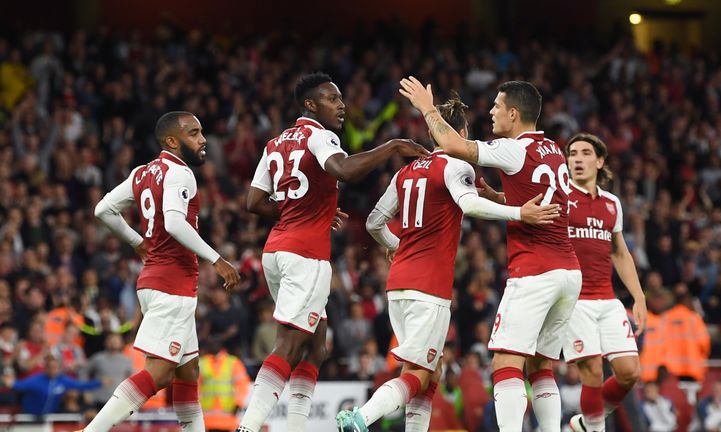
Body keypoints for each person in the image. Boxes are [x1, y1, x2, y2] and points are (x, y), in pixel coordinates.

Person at [336, 97, 560, 431]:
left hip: (398, 285)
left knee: (431, 371)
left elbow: (373, 222)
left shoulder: (406, 171)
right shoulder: (457, 166)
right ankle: (360, 418)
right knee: (419, 372)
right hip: (429, 287)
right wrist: (518, 213)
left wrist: (397, 245)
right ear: (461, 131)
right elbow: (469, 205)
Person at [239, 72, 428, 432]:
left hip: (276, 251)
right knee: (291, 343)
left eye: (341, 98)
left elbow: (254, 201)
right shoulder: (319, 136)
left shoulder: (276, 143)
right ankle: (247, 427)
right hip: (305, 255)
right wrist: (390, 147)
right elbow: (343, 168)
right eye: (332, 99)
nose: (341, 105)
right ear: (310, 105)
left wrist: (312, 209)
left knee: (316, 345)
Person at [400, 77, 582, 431]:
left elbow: (452, 144)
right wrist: (499, 196)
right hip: (567, 272)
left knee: (505, 362)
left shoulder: (514, 148)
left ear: (514, 114)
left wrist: (426, 107)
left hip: (535, 272)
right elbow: (544, 200)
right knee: (542, 367)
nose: (491, 112)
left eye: (497, 106)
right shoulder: (553, 149)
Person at [79, 111, 240, 432]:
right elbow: (174, 222)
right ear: (172, 141)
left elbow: (103, 210)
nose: (203, 139)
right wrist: (217, 259)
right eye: (193, 133)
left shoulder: (142, 173)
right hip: (173, 286)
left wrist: (138, 242)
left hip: (153, 282)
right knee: (161, 372)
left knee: (188, 372)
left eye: (201, 132)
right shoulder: (181, 173)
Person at [560, 134, 645, 432]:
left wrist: (638, 297)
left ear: (599, 161)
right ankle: (594, 429)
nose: (577, 159)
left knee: (629, 372)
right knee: (593, 371)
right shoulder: (560, 195)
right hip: (574, 300)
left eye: (585, 153)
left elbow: (620, 253)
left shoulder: (612, 204)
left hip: (608, 300)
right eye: (572, 154)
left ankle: (585, 423)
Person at [6, 354, 103, 416]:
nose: (54, 370)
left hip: (50, 416)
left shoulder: (62, 380)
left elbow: (80, 385)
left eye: (56, 368)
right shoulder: (36, 380)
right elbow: (20, 386)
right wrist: (10, 383)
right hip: (30, 416)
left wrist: (98, 382)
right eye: (51, 368)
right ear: (45, 369)